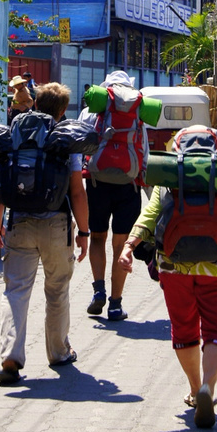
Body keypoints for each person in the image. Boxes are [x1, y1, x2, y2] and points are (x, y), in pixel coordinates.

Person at [118, 128, 217, 429]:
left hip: (173, 267)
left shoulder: (170, 177)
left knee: (184, 328)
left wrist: (129, 247)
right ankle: (208, 387)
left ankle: (193, 389)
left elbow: (150, 215)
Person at [0, 82, 90, 386]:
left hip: (19, 222)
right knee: (56, 289)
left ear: (34, 104)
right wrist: (83, 232)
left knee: (16, 291)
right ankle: (58, 352)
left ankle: (11, 356)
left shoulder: (16, 134)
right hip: (55, 225)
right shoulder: (65, 140)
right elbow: (77, 192)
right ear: (62, 110)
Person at [79, 70, 148, 321]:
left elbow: (79, 147)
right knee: (121, 245)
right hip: (128, 185)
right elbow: (145, 152)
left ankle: (98, 291)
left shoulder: (92, 109)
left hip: (98, 183)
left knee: (98, 238)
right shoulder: (137, 109)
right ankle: (116, 304)